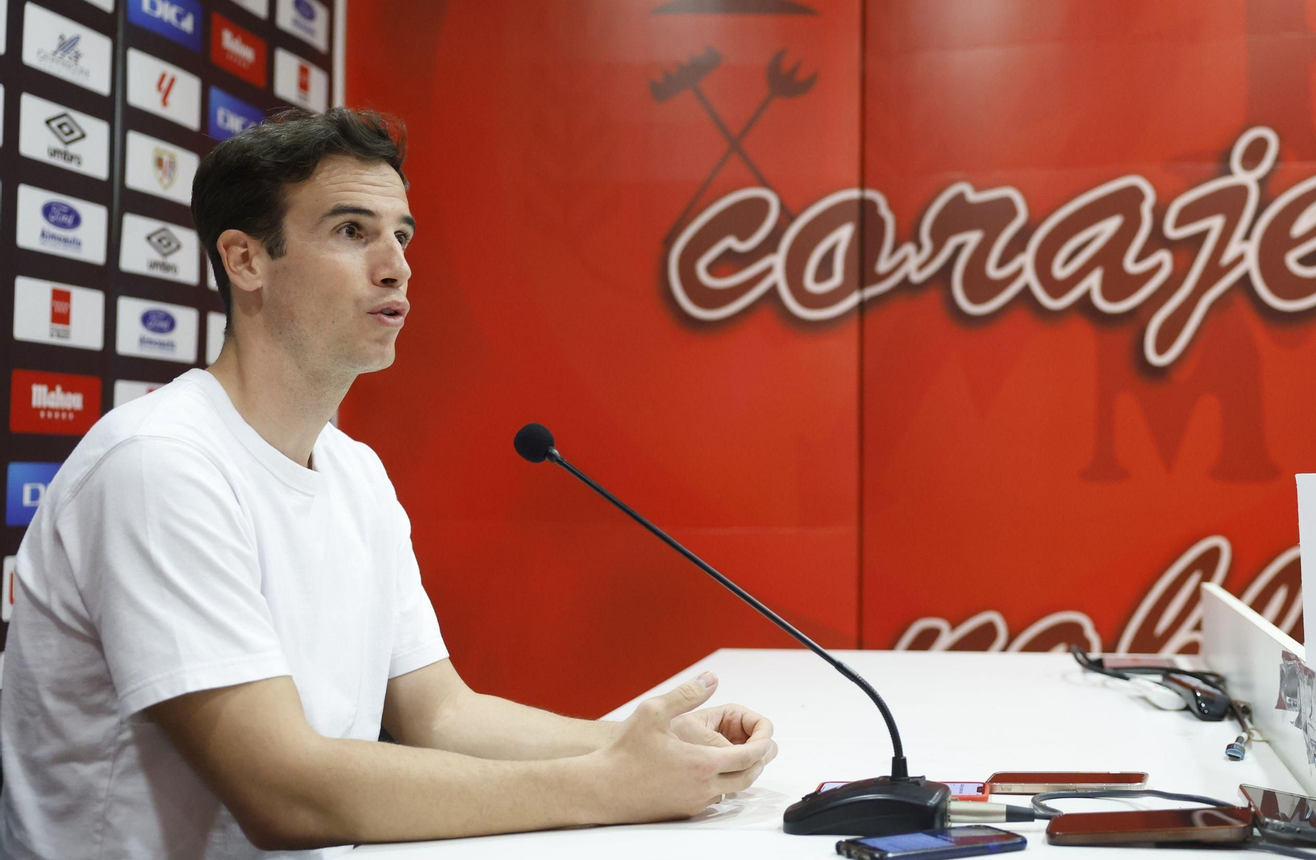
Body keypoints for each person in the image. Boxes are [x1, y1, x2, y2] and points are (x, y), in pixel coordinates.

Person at [0, 108, 778, 859]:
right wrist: (608, 786)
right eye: (352, 232)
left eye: (401, 235)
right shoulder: (159, 463)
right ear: (245, 261)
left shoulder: (354, 470)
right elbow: (282, 791)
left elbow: (441, 714)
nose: (397, 264)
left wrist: (650, 748)